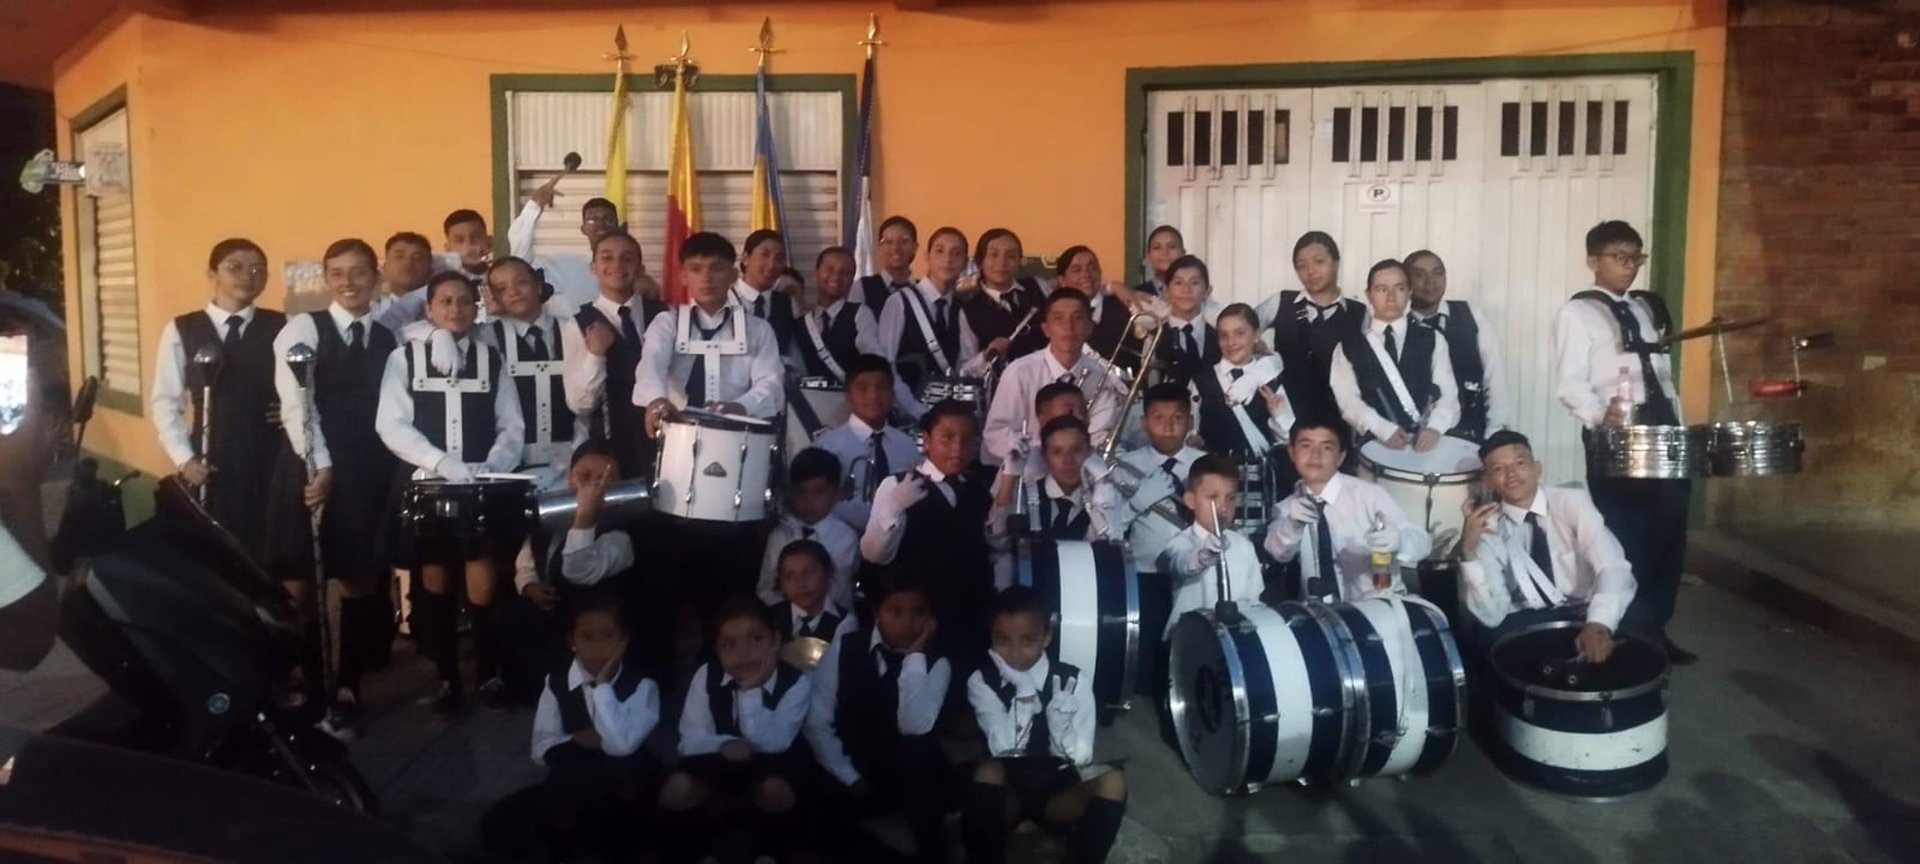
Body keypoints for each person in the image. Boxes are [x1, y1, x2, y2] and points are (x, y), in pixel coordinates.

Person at [263, 237, 399, 729]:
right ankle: (309, 681)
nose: (348, 282)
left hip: (365, 469)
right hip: (308, 464)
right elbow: (297, 402)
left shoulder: (389, 337)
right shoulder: (304, 328)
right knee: (301, 583)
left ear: (375, 277)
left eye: (359, 272)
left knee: (360, 580)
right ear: (325, 278)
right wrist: (321, 466)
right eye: (337, 273)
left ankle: (347, 683)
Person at [374, 270, 525, 713]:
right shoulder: (405, 358)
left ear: (476, 308)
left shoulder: (491, 358)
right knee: (435, 579)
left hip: (480, 484)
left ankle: (489, 673)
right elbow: (391, 423)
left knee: (484, 581)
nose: (456, 309)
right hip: (429, 484)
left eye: (464, 301)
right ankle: (446, 678)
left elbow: (511, 425)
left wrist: (493, 465)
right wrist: (441, 463)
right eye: (445, 302)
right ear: (429, 308)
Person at [1552, 220, 1694, 664]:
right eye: (1619, 257)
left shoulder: (1645, 309)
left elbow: (1662, 376)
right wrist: (1601, 416)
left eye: (1636, 257)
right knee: (1626, 535)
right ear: (1593, 261)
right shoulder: (1577, 313)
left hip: (1661, 429)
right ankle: (1626, 634)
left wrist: (1677, 422)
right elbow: (1569, 383)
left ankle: (1655, 628)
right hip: (1614, 434)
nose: (1629, 266)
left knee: (1668, 536)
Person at [962, 586, 1128, 864]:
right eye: (1002, 640)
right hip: (1007, 793)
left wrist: (1061, 728)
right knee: (987, 770)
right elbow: (1001, 747)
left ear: (1046, 637)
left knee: (1114, 780)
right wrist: (1024, 690)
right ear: (991, 638)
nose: (1014, 653)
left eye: (1027, 640)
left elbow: (1082, 756)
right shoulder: (981, 681)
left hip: (1057, 793)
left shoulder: (1073, 681)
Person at [149, 238, 286, 563]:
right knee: (216, 555)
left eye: (257, 269)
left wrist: (293, 410)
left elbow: (306, 385)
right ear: (212, 274)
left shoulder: (282, 325)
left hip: (269, 458)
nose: (247, 276)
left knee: (269, 553)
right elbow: (165, 401)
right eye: (234, 267)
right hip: (211, 458)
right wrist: (185, 459)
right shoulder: (182, 329)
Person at [805, 577, 956, 863]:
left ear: (931, 617)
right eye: (895, 612)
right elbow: (817, 720)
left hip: (911, 767)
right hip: (856, 762)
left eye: (919, 612)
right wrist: (851, 778)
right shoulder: (846, 647)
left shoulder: (939, 662)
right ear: (876, 613)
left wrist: (915, 655)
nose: (907, 622)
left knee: (920, 761)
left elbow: (914, 724)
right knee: (817, 804)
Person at [1456, 430, 1635, 662]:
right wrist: (1469, 552)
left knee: (1636, 632)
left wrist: (1598, 624)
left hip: (1583, 610)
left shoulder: (1572, 502)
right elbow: (1492, 615)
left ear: (1537, 468)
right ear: (1488, 480)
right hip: (1525, 617)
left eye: (1519, 463)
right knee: (1486, 645)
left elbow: (1613, 567)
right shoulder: (1487, 528)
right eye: (1498, 469)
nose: (1511, 474)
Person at [663, 597, 813, 864]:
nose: (743, 653)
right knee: (676, 789)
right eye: (730, 645)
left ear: (775, 640)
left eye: (755, 639)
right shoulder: (706, 675)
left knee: (776, 790)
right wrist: (724, 744)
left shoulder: (795, 682)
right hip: (717, 759)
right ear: (717, 650)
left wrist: (751, 690)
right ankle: (701, 853)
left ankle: (769, 853)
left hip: (772, 760)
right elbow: (690, 739)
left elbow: (776, 741)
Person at [527, 593, 661, 864]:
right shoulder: (557, 682)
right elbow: (541, 747)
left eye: (608, 636)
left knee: (627, 782)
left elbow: (623, 745)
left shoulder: (642, 686)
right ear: (571, 641)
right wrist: (578, 742)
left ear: (623, 640)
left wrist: (602, 688)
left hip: (626, 770)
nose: (598, 646)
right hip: (578, 769)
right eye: (587, 637)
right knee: (563, 788)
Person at [860, 400, 1002, 658]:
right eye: (947, 438)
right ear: (926, 440)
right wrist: (893, 507)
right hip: (914, 620)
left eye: (967, 439)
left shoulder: (978, 491)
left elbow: (990, 550)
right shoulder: (897, 485)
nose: (957, 448)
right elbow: (874, 555)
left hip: (967, 618)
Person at [1089, 382, 1205, 696]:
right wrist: (1138, 502)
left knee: (1192, 648)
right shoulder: (1126, 466)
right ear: (1143, 422)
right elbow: (1109, 528)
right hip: (1146, 572)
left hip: (1194, 573)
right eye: (1158, 418)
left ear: (1190, 421)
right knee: (1147, 659)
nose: (1168, 426)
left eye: (1177, 418)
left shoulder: (1204, 464)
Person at [503, 440, 636, 698]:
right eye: (584, 477)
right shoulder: (552, 513)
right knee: (509, 618)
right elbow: (526, 563)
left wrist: (585, 518)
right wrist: (530, 586)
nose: (591, 487)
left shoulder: (623, 531)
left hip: (591, 621)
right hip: (552, 611)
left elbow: (579, 571)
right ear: (569, 475)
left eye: (604, 479)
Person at [1154, 453, 1265, 747]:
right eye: (1213, 497)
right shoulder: (1180, 542)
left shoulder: (1243, 546)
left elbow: (1254, 599)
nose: (1224, 507)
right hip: (1187, 645)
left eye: (1230, 498)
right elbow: (1179, 563)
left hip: (1231, 646)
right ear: (1190, 500)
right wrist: (1202, 556)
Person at [1263, 418, 1429, 603]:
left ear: (1341, 457)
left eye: (1327, 447)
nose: (1315, 455)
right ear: (1292, 453)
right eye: (1306, 446)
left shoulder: (1369, 495)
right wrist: (1292, 526)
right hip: (1320, 617)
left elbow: (1422, 543)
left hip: (1378, 609)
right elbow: (1277, 552)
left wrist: (1399, 541)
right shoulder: (1288, 508)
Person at [637, 231, 785, 432]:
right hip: (678, 434)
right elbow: (651, 365)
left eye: (717, 269)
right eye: (696, 269)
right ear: (683, 276)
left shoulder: (758, 329)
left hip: (738, 434)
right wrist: (657, 400)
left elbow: (771, 382)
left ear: (733, 275)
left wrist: (741, 406)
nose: (706, 278)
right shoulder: (667, 323)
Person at [559, 229, 668, 479]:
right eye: (607, 258)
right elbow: (580, 404)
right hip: (609, 449)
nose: (617, 265)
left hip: (664, 444)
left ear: (640, 269)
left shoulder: (664, 316)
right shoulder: (579, 324)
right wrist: (596, 354)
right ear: (593, 267)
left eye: (627, 258)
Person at [983, 290, 1125, 470]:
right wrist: (1044, 450)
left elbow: (1099, 434)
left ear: (1090, 327)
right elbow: (995, 434)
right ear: (1046, 328)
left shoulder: (1100, 375)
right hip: (1026, 473)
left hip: (1081, 473)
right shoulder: (1020, 373)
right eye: (1059, 318)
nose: (1069, 326)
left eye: (1078, 318)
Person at [1329, 259, 1460, 453]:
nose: (1390, 297)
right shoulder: (1347, 347)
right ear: (1369, 295)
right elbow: (1348, 402)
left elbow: (1448, 395)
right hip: (1374, 448)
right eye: (1381, 289)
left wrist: (1435, 428)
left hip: (1425, 448)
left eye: (1399, 289)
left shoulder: (1432, 339)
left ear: (1409, 293)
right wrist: (1382, 428)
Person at [484, 256, 587, 491]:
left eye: (521, 282)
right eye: (501, 289)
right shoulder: (486, 337)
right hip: (509, 467)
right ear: (495, 298)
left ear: (538, 285)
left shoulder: (572, 329)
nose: (514, 292)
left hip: (570, 462)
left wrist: (581, 453)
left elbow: (587, 401)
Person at [1254, 232, 1367, 426]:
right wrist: (1258, 351)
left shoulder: (1359, 313)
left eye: (1319, 261)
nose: (1310, 271)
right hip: (1284, 415)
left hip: (1337, 421)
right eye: (1301, 265)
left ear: (1336, 263)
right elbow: (1240, 327)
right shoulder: (1281, 301)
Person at [877, 226, 988, 408]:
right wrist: (913, 409)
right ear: (927, 256)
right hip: (906, 412)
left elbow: (962, 368)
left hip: (946, 415)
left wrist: (986, 355)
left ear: (964, 262)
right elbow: (885, 364)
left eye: (957, 253)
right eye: (939, 251)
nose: (948, 259)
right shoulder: (900, 302)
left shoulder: (962, 309)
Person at [1406, 250, 1511, 441]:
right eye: (1419, 275)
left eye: (1437, 273)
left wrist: (1495, 433)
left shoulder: (1471, 315)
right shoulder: (1398, 328)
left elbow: (1494, 378)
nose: (1430, 281)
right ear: (1406, 282)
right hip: (1418, 440)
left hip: (1471, 436)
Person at [811, 354, 921, 533]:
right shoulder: (828, 447)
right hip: (844, 542)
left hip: (897, 542)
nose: (873, 395)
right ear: (848, 396)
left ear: (893, 394)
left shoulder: (907, 446)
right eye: (862, 388)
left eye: (882, 387)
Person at [754, 448, 860, 610]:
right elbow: (765, 589)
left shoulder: (845, 538)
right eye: (800, 492)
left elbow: (836, 592)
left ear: (836, 493)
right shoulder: (780, 535)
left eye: (819, 492)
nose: (808, 501)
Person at [502, 179, 630, 311]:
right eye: (592, 220)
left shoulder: (630, 269)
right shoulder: (564, 265)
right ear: (583, 229)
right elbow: (519, 262)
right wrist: (533, 207)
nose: (601, 224)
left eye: (608, 219)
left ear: (618, 227)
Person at [1003, 416, 1109, 543]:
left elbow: (1112, 545)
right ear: (1044, 456)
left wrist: (1104, 484)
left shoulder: (1102, 498)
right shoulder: (1024, 496)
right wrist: (1009, 476)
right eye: (1057, 452)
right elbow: (997, 541)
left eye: (1076, 450)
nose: (1068, 460)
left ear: (1090, 452)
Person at [790, 246, 881, 384]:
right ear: (816, 275)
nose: (836, 276)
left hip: (849, 402)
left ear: (851, 280)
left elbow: (873, 360)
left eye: (845, 273)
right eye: (830, 269)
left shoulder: (860, 315)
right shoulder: (799, 324)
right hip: (810, 401)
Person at [959, 227, 1047, 361]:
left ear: (1019, 261)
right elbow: (964, 367)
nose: (1002, 263)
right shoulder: (968, 309)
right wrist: (987, 355)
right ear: (980, 261)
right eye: (994, 255)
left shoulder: (1039, 287)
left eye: (1011, 256)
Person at [1040, 245, 1133, 364]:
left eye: (1092, 268)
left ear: (1100, 272)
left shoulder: (1123, 308)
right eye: (1077, 270)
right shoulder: (1051, 312)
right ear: (1062, 280)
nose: (1086, 275)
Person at [766, 539, 856, 644]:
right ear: (781, 583)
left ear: (828, 573)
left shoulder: (845, 623)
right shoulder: (769, 619)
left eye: (808, 573)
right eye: (789, 576)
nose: (800, 583)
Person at [733, 229, 798, 355]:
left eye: (779, 258)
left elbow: (790, 352)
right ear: (745, 258)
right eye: (765, 255)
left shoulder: (785, 303)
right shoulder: (723, 299)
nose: (772, 265)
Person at [1156, 254, 1222, 377]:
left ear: (1207, 292)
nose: (1186, 289)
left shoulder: (1221, 335)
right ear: (1166, 291)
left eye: (1194, 282)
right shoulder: (1154, 336)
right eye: (1178, 283)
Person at [856, 214, 919, 321]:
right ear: (880, 247)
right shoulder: (861, 288)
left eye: (904, 241)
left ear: (915, 247)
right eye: (888, 242)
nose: (896, 248)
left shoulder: (923, 291)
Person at [371, 231, 435, 334]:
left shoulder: (445, 310)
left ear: (431, 270)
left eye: (417, 258)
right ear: (384, 267)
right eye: (399, 256)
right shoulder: (371, 313)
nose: (408, 262)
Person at [437, 208, 495, 284]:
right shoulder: (441, 283)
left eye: (476, 237)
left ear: (489, 241)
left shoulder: (504, 275)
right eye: (459, 240)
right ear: (448, 249)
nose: (469, 244)